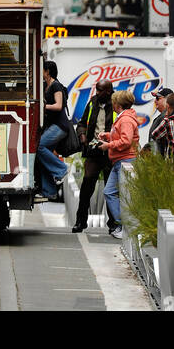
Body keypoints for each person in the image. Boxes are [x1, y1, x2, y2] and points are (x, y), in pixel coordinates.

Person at [72, 79, 118, 233]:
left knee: (111, 189)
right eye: (97, 90)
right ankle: (80, 222)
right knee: (86, 185)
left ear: (108, 91)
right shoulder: (92, 102)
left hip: (111, 152)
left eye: (100, 90)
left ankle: (113, 224)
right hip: (94, 151)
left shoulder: (117, 104)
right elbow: (82, 123)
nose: (97, 93)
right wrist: (82, 135)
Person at [97, 89, 140, 240]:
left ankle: (125, 227)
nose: (112, 105)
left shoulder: (125, 119)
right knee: (110, 192)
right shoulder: (123, 118)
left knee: (120, 195)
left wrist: (108, 145)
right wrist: (108, 136)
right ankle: (122, 225)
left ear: (118, 104)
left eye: (114, 102)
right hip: (120, 160)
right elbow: (122, 136)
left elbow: (126, 141)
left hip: (125, 160)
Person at [36, 60, 72, 201]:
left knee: (39, 147)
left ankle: (61, 169)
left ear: (47, 71)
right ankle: (49, 191)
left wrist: (43, 107)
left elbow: (58, 106)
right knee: (41, 156)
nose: (41, 72)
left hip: (60, 125)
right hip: (52, 125)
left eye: (42, 69)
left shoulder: (56, 85)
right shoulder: (46, 85)